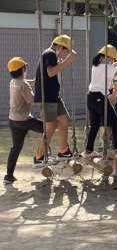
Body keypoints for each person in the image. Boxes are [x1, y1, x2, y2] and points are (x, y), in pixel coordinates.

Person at [84, 44, 117, 158]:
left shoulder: (96, 66)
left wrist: (116, 63)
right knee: (114, 121)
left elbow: (110, 69)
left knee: (94, 125)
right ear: (105, 57)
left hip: (91, 97)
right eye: (111, 59)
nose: (112, 61)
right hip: (99, 97)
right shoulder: (107, 68)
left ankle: (88, 150)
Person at [33, 34, 77, 165]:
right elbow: (50, 72)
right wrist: (67, 62)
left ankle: (63, 151)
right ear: (60, 47)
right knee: (51, 126)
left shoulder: (49, 54)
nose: (63, 55)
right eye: (65, 51)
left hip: (53, 96)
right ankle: (39, 157)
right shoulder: (50, 54)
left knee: (64, 120)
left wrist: (66, 58)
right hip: (48, 97)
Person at [4, 57, 44, 183]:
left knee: (15, 148)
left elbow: (24, 83)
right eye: (25, 68)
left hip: (13, 120)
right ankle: (39, 156)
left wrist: (34, 81)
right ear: (22, 70)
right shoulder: (24, 85)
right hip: (25, 120)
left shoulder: (13, 82)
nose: (26, 69)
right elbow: (32, 99)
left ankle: (8, 176)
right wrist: (43, 89)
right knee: (48, 129)